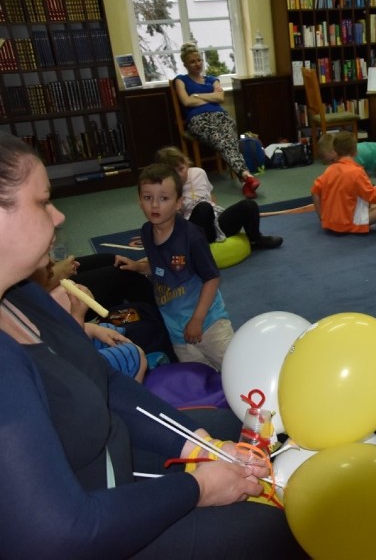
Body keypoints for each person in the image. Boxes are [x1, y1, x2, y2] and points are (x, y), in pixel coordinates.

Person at [0, 131, 304, 557]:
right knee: (280, 523)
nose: (59, 216)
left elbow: (106, 381)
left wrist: (201, 447)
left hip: (112, 461)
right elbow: (61, 533)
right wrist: (197, 487)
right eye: (43, 202)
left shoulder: (21, 294)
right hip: (95, 517)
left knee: (246, 439)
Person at [116, 163, 234, 372]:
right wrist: (138, 266)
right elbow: (160, 266)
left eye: (164, 198)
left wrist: (197, 319)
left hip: (209, 323)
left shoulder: (192, 237)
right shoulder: (146, 232)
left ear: (179, 203)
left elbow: (212, 278)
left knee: (234, 370)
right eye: (147, 197)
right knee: (199, 380)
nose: (154, 206)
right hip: (176, 329)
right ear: (139, 200)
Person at [30, 261, 150, 383]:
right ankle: (127, 399)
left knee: (108, 331)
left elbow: (53, 332)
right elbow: (65, 346)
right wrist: (77, 317)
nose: (51, 263)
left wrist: (94, 330)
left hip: (62, 346)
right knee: (134, 355)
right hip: (63, 372)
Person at [174, 42, 261, 199]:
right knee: (221, 141)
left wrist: (197, 96)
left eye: (199, 60)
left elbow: (220, 98)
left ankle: (246, 180)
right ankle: (247, 177)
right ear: (185, 64)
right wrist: (210, 98)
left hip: (221, 116)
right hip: (198, 120)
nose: (197, 64)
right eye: (192, 61)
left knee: (230, 140)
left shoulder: (212, 79)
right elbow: (186, 102)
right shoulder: (181, 80)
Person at [154, 146, 282, 250]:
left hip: (216, 222)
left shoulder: (198, 173)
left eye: (181, 169)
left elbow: (210, 196)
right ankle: (200, 251)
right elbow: (170, 221)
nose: (180, 174)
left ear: (186, 163)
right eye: (174, 172)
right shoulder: (166, 188)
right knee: (204, 208)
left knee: (249, 205)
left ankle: (255, 239)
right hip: (194, 230)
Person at [310, 131, 376, 234]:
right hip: (351, 223)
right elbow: (374, 197)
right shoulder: (357, 172)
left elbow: (315, 191)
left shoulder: (329, 170)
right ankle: (363, 224)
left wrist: (322, 218)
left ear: (335, 152)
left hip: (330, 224)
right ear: (355, 152)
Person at [316, 132, 376, 212]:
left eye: (333, 160)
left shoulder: (351, 159)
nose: (332, 165)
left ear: (337, 151)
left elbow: (362, 184)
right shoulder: (350, 150)